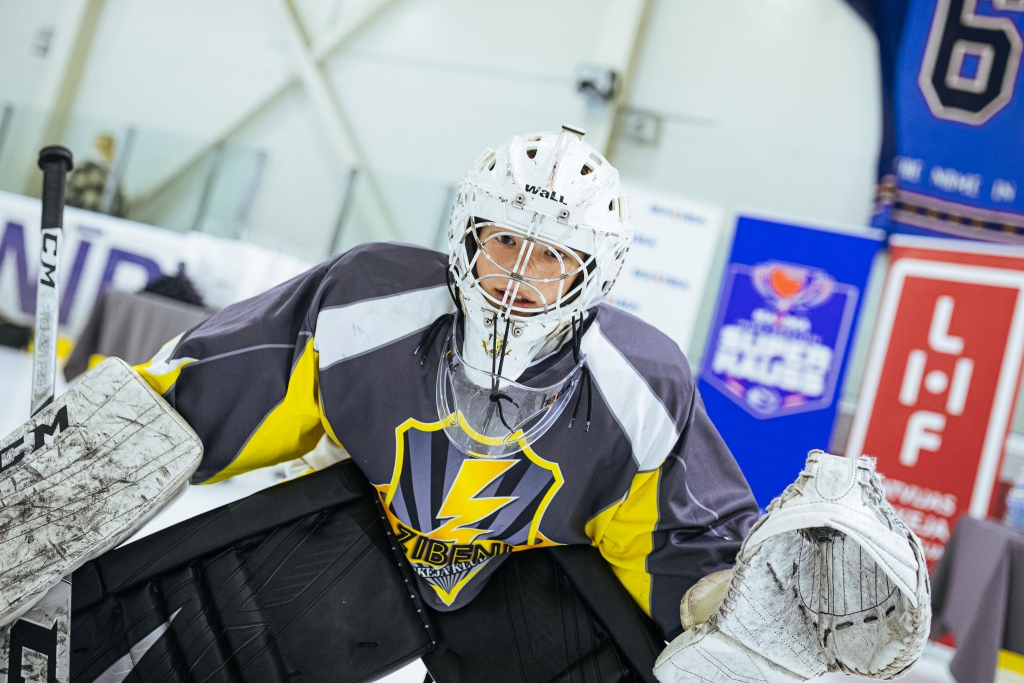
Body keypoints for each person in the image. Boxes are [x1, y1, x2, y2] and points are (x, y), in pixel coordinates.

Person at [134, 125, 759, 644]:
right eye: (507, 239)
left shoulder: (642, 385)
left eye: (552, 256)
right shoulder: (365, 300)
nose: (519, 274)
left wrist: (743, 618)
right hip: (335, 563)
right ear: (468, 233)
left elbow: (690, 555)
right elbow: (190, 404)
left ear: (596, 274)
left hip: (514, 621)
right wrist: (94, 454)